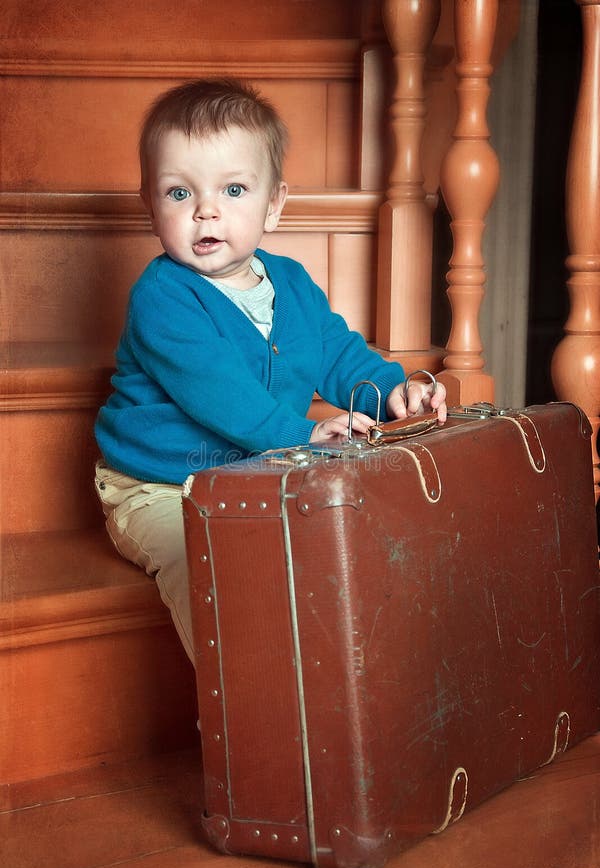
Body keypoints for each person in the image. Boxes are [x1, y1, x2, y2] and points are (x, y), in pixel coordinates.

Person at [94, 78, 447, 663]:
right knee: (206, 560)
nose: (206, 210)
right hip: (160, 486)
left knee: (339, 543)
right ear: (149, 207)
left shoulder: (293, 284)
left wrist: (392, 390)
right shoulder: (162, 297)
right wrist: (302, 434)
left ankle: (339, 687)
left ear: (275, 205)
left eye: (233, 189)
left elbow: (337, 351)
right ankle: (244, 708)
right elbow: (219, 394)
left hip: (261, 474)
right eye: (179, 193)